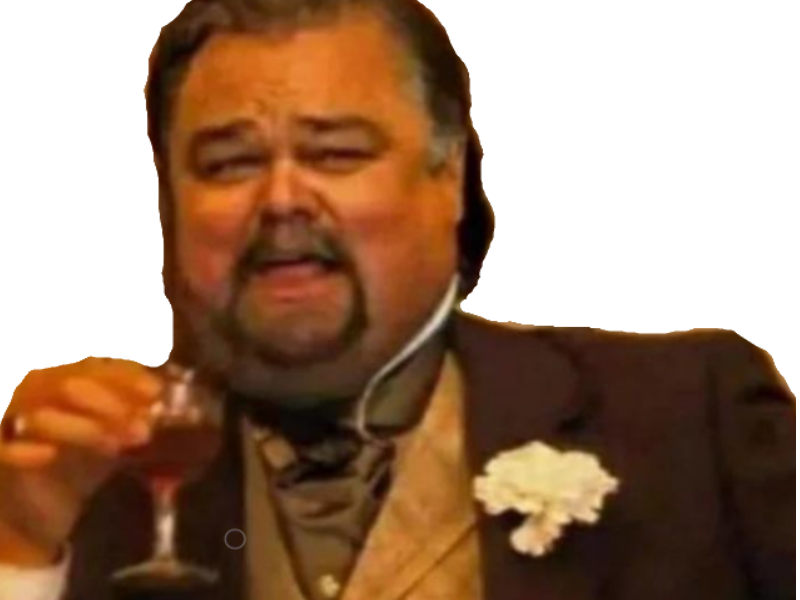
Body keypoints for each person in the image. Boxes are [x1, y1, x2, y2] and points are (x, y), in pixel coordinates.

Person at [0, 0, 794, 598]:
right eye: (228, 164)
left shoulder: (697, 421)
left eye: (336, 152)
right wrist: (21, 549)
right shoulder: (83, 487)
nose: (281, 199)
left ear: (449, 180)